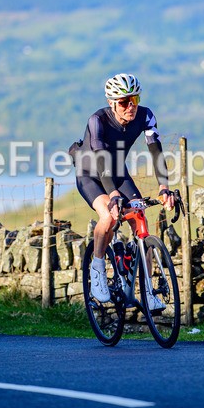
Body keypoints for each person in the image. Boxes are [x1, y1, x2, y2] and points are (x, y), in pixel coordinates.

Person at [74, 73, 175, 310]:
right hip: (91, 174)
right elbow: (100, 161)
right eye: (124, 102)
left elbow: (156, 151)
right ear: (111, 102)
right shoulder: (97, 120)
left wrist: (164, 187)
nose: (131, 106)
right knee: (108, 216)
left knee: (139, 215)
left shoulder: (146, 115)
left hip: (118, 172)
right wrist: (113, 195)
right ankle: (97, 268)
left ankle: (148, 290)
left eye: (135, 99)